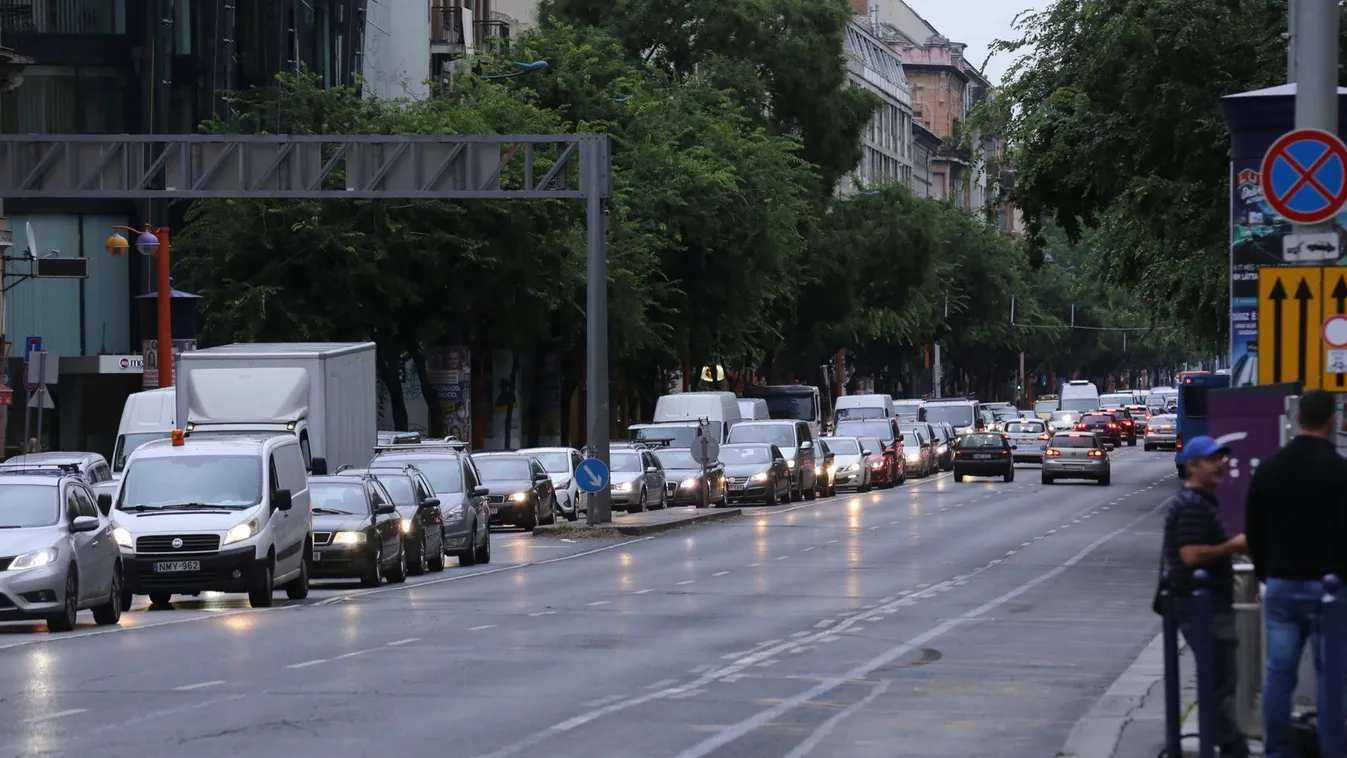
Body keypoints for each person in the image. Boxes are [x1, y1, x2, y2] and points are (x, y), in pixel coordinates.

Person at [1245, 388, 1347, 758]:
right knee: (1331, 675)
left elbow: (1254, 528)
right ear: (1332, 420)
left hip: (1282, 584)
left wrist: (1265, 573)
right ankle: (1332, 748)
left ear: (1298, 419)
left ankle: (1278, 749)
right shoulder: (1340, 471)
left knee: (1279, 674)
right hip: (1330, 590)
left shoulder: (1271, 468)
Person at [1161, 435, 1250, 758]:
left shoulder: (1197, 503)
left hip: (1206, 607)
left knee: (1219, 685)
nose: (1220, 464)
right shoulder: (1193, 506)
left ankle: (1228, 746)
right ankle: (1234, 749)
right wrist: (1234, 546)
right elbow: (1191, 555)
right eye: (1212, 460)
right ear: (1193, 466)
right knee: (1218, 687)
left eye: (1220, 458)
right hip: (1203, 609)